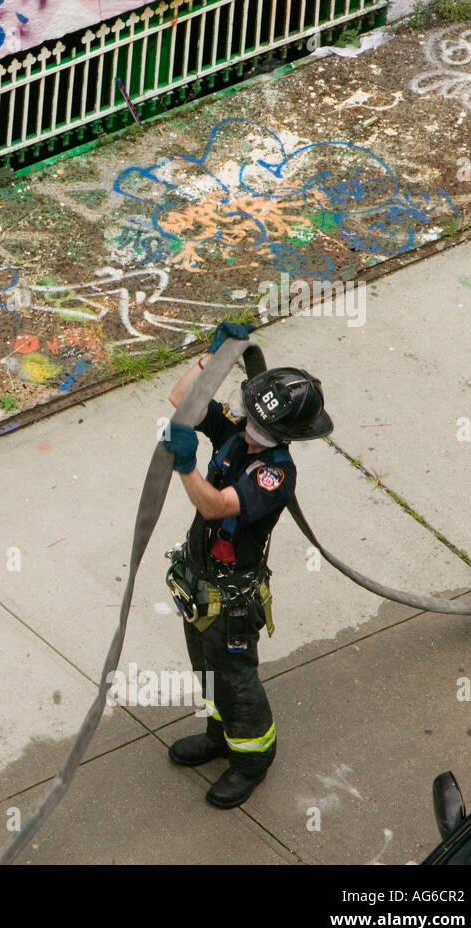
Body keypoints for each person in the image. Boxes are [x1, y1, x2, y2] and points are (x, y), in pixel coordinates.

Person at [161, 322, 333, 807]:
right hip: (199, 582)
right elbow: (182, 398)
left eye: (260, 423)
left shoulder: (276, 475)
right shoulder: (237, 434)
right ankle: (220, 736)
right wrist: (211, 359)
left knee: (236, 679)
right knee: (206, 667)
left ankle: (252, 757)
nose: (248, 424)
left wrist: (186, 466)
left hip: (232, 597)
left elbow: (215, 507)